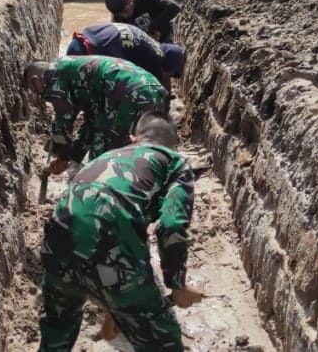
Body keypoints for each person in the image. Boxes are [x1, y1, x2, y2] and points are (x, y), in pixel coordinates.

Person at [38, 112, 202, 352]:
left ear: (134, 137)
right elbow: (171, 226)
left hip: (56, 246)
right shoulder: (175, 162)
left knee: (58, 329)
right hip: (112, 254)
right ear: (174, 144)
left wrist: (114, 313)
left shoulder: (104, 157)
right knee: (163, 342)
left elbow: (99, 225)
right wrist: (177, 285)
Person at [25, 56, 169, 168]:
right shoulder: (68, 68)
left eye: (36, 91)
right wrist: (73, 156)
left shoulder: (53, 78)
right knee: (148, 146)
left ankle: (101, 194)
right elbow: (91, 121)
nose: (41, 97)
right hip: (151, 88)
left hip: (129, 95)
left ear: (35, 80)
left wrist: (61, 156)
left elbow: (64, 120)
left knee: (104, 156)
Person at [66, 22, 186, 89]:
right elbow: (157, 90)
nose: (169, 76)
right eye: (170, 74)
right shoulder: (153, 61)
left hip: (80, 41)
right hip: (87, 55)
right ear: (167, 66)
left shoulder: (148, 41)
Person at [104, 0, 180, 43]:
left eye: (125, 11)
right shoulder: (117, 14)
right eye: (120, 14)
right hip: (142, 41)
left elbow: (174, 8)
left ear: (130, 0)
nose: (124, 16)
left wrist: (153, 26)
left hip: (162, 35)